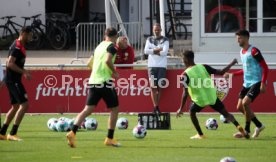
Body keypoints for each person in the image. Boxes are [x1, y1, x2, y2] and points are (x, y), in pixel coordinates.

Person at [66, 27, 120, 148]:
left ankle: (72, 132)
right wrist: (114, 72)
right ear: (115, 36)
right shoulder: (112, 46)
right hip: (105, 81)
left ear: (105, 35)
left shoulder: (99, 46)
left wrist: (97, 70)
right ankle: (109, 138)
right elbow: (107, 60)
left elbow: (88, 63)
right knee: (115, 109)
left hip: (93, 81)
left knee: (87, 110)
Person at [176, 50, 249, 139]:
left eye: (182, 59)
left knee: (192, 112)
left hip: (199, 100)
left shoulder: (184, 75)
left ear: (186, 60)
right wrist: (231, 63)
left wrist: (180, 108)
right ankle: (240, 129)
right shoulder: (203, 66)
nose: (182, 61)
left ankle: (200, 134)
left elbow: (185, 93)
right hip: (212, 97)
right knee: (226, 114)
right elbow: (221, 72)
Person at [224, 30, 268, 138]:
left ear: (246, 38)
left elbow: (265, 67)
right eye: (237, 38)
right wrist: (232, 74)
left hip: (257, 81)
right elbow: (246, 69)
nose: (237, 40)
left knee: (245, 103)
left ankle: (246, 131)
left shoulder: (253, 51)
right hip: (247, 83)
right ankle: (259, 125)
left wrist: (263, 83)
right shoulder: (241, 52)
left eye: (239, 38)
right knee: (239, 107)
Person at [0, 26, 32, 141]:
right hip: (13, 81)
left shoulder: (18, 45)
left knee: (15, 106)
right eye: (29, 35)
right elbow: (10, 63)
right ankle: (13, 133)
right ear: (23, 33)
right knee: (25, 105)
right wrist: (24, 72)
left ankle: (2, 132)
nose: (30, 37)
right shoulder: (17, 47)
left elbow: (8, 61)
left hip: (12, 80)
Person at [144, 23, 169, 115]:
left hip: (162, 66)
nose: (157, 31)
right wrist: (158, 50)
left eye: (158, 30)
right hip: (151, 66)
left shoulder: (165, 39)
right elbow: (145, 51)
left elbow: (165, 52)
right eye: (155, 30)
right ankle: (156, 106)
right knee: (153, 87)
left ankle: (156, 106)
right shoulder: (149, 39)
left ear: (161, 30)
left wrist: (153, 51)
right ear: (153, 30)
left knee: (160, 87)